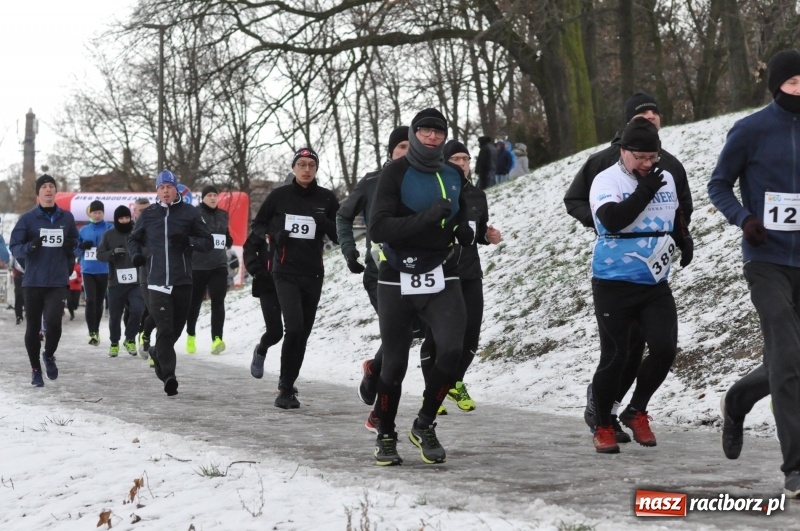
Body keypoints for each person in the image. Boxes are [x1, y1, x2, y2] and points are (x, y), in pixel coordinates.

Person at [564, 92, 694, 444]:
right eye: (640, 158)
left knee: (665, 348)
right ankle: (603, 423)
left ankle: (636, 409)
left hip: (654, 281)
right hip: (614, 281)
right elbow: (612, 220)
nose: (647, 164)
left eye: (653, 157)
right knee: (618, 355)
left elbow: (679, 209)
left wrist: (683, 238)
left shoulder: (663, 174)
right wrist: (645, 191)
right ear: (623, 150)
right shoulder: (607, 179)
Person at [707, 49, 800, 498]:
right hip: (766, 260)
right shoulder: (751, 130)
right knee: (786, 356)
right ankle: (796, 469)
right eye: (794, 84)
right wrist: (744, 218)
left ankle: (739, 399)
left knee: (794, 359)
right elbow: (718, 183)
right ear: (777, 86)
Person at [369, 108, 473, 466]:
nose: (431, 138)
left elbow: (457, 213)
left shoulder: (453, 173)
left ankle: (424, 423)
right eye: (425, 132)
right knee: (395, 364)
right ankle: (385, 434)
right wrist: (424, 219)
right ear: (413, 134)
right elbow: (378, 228)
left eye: (438, 133)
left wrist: (463, 228)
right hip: (396, 273)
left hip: (442, 271)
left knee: (451, 351)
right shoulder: (394, 173)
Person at [416, 139, 503, 414]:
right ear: (443, 162)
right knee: (436, 337)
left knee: (471, 335)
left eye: (465, 159)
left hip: (469, 273)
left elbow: (475, 234)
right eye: (456, 159)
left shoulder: (478, 195)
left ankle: (453, 383)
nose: (462, 164)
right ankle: (432, 392)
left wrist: (487, 237)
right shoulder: (431, 193)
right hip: (438, 273)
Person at [250, 148, 340, 408]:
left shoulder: (326, 198)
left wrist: (325, 224)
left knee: (304, 333)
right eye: (301, 164)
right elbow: (258, 225)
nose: (306, 169)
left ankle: (288, 382)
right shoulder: (279, 196)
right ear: (293, 168)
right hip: (284, 271)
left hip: (313, 273)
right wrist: (274, 235)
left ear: (316, 169)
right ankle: (285, 387)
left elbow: (339, 234)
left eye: (311, 165)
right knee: (295, 328)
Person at [335, 126, 413, 414]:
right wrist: (349, 250)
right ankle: (381, 414)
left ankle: (373, 369)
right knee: (399, 338)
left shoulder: (426, 181)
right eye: (402, 146)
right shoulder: (372, 182)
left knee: (408, 334)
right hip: (380, 275)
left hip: (417, 273)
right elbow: (343, 216)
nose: (408, 151)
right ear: (391, 151)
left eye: (412, 145)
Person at [128, 170, 213, 396]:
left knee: (175, 331)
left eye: (169, 186)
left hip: (182, 280)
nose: (165, 191)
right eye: (161, 187)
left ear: (176, 189)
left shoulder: (190, 213)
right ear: (157, 190)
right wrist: (136, 255)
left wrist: (188, 241)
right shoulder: (149, 214)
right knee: (164, 329)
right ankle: (169, 376)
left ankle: (157, 353)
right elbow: (133, 239)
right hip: (156, 281)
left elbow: (208, 242)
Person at [9, 174, 79, 387]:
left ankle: (48, 355)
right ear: (38, 193)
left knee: (54, 323)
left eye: (51, 186)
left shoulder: (66, 218)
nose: (48, 190)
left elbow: (75, 243)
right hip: (33, 280)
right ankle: (35, 369)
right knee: (32, 328)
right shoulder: (28, 219)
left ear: (55, 191)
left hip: (57, 280)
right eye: (44, 187)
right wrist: (30, 247)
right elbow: (15, 247)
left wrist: (70, 248)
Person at [185, 185, 233, 355]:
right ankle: (190, 334)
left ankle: (217, 339)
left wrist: (228, 240)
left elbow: (225, 234)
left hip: (219, 264)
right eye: (209, 195)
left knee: (218, 301)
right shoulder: (195, 214)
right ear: (203, 197)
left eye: (215, 195)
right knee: (194, 304)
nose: (213, 198)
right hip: (198, 265)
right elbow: (188, 236)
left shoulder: (223, 215)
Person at [97, 205, 145, 357]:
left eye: (126, 218)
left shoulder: (137, 232)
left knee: (138, 309)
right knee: (115, 315)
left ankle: (130, 339)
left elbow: (146, 249)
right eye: (121, 218)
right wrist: (112, 253)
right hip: (116, 281)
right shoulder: (109, 235)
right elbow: (99, 254)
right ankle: (114, 342)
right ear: (116, 219)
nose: (124, 221)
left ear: (131, 218)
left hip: (136, 280)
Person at [244, 229, 283, 379]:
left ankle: (286, 380)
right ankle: (261, 350)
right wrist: (257, 270)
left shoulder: (296, 220)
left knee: (295, 331)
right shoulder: (265, 226)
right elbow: (249, 248)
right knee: (275, 332)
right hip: (268, 284)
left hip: (292, 283)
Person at [76, 200, 113, 346]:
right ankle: (92, 332)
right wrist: (82, 246)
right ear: (90, 213)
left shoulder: (110, 228)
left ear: (103, 213)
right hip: (88, 269)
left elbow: (115, 245)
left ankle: (96, 330)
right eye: (94, 212)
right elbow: (76, 250)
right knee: (90, 300)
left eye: (99, 212)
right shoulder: (84, 230)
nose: (97, 215)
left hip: (104, 269)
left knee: (99, 301)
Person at [132, 197, 155, 363]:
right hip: (133, 276)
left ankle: (149, 341)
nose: (144, 214)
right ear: (135, 212)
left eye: (147, 210)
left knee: (156, 311)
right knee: (137, 310)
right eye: (141, 211)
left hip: (156, 274)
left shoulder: (157, 226)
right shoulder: (130, 229)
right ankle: (140, 335)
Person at [12, 257, 25, 324]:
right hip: (18, 276)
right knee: (18, 296)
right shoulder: (16, 253)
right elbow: (13, 265)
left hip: (28, 275)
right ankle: (18, 316)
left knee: (28, 296)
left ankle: (28, 312)